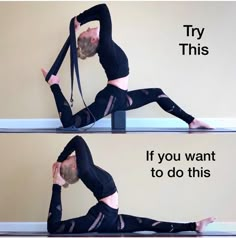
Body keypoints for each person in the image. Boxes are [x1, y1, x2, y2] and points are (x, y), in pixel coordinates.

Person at [42, 4, 212, 130]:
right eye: (87, 31)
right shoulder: (105, 45)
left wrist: (78, 22)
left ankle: (192, 121)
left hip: (120, 97)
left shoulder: (106, 46)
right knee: (70, 124)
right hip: (111, 98)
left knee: (157, 93)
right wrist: (78, 20)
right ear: (93, 40)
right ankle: (53, 83)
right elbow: (103, 9)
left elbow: (102, 12)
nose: (88, 28)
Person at [47, 135, 215, 234]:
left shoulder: (87, 169)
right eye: (70, 158)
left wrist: (61, 163)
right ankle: (194, 226)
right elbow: (78, 139)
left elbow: (78, 141)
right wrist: (59, 169)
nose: (72, 156)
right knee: (55, 228)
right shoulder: (84, 170)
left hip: (108, 217)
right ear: (75, 166)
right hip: (104, 216)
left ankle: (195, 225)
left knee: (148, 224)